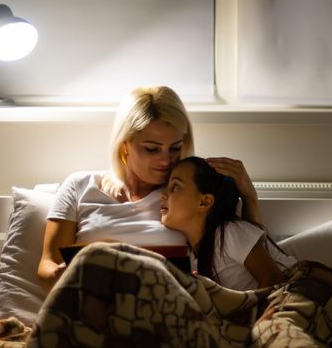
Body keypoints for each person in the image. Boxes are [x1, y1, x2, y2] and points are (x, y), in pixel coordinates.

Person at [37, 86, 261, 292]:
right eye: (152, 149)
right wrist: (64, 273)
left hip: (165, 311)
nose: (166, 160)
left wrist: (250, 199)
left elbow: (247, 252)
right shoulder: (79, 185)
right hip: (91, 305)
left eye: (174, 148)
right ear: (125, 145)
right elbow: (47, 265)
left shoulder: (184, 196)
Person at [161, 156, 297, 290]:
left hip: (299, 288)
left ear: (204, 202)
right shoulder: (192, 254)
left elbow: (274, 280)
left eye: (176, 186)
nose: (163, 194)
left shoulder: (228, 232)